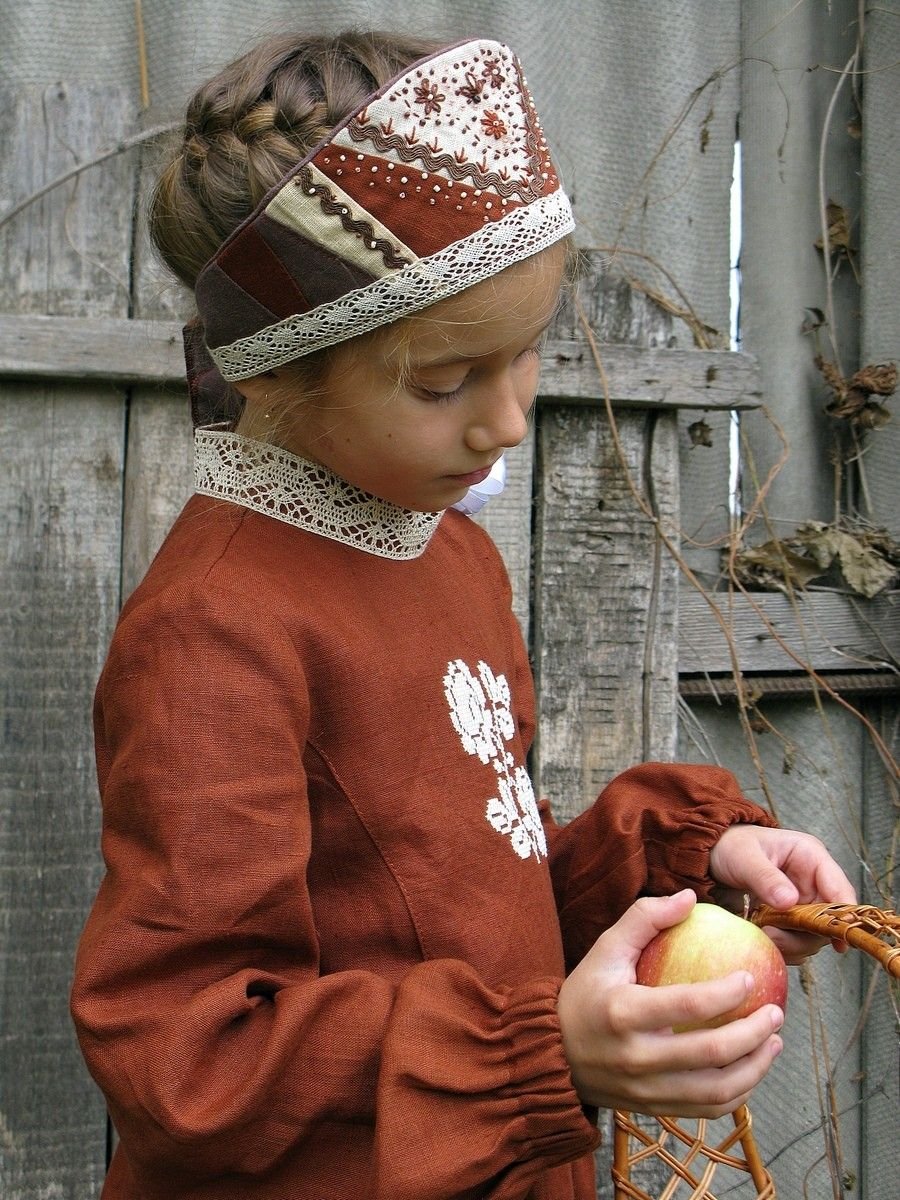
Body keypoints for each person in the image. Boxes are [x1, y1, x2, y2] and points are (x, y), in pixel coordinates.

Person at [71, 30, 856, 1200]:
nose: (506, 423)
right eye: (444, 382)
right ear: (279, 373)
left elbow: (471, 881)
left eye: (525, 353)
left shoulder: (446, 554)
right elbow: (186, 1053)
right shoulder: (216, 632)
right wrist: (546, 1052)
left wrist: (689, 872)